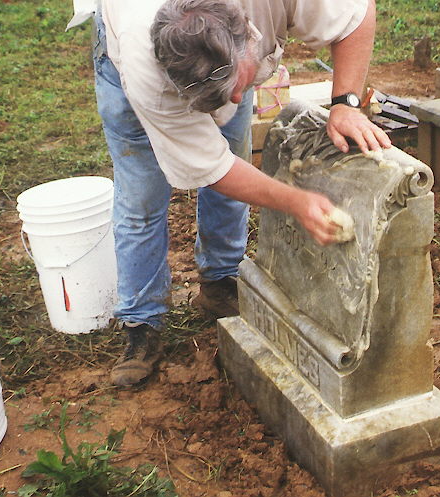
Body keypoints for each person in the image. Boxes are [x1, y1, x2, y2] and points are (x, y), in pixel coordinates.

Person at [73, 0, 391, 387]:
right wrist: (297, 201)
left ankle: (221, 279)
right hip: (124, 45)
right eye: (216, 95)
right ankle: (141, 320)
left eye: (234, 85)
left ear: (246, 32)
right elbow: (212, 167)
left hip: (228, 52)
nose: (237, 101)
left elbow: (356, 15)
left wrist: (345, 104)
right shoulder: (147, 73)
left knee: (234, 140)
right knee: (141, 195)